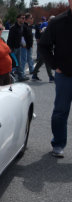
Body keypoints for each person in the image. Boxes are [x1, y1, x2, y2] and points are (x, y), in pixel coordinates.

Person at [38, 0, 72, 158]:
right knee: (60, 111)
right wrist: (54, 65)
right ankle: (58, 143)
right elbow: (43, 45)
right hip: (65, 75)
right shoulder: (58, 22)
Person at [31, 15, 55, 82]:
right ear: (50, 20)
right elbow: (40, 31)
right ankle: (51, 77)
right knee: (47, 61)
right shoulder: (45, 25)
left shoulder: (52, 26)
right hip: (45, 46)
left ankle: (34, 75)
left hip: (48, 46)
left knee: (41, 62)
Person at [7, 14, 29, 82]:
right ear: (18, 19)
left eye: (24, 18)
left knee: (18, 63)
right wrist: (10, 48)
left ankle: (20, 76)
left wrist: (22, 44)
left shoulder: (21, 27)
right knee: (12, 63)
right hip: (13, 49)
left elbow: (21, 37)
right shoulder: (13, 28)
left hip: (18, 48)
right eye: (22, 18)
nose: (23, 20)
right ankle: (9, 77)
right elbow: (9, 39)